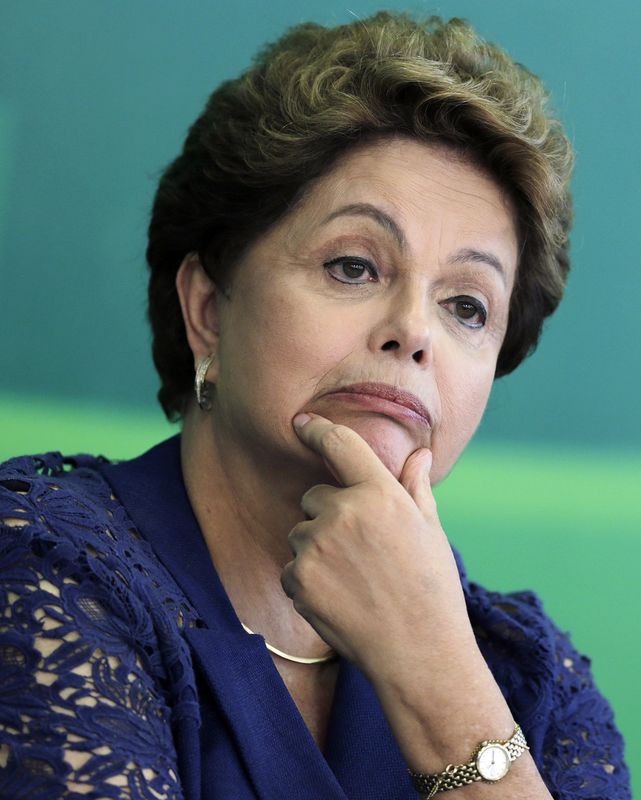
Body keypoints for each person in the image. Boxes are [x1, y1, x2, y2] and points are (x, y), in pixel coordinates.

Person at [0, 11, 630, 800]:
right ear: (207, 309)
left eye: (467, 306)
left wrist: (437, 682)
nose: (412, 331)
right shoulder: (39, 562)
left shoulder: (529, 677)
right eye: (352, 266)